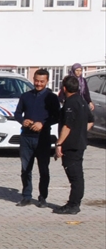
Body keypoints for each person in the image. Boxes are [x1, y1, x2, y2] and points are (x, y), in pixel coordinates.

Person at [13, 69, 62, 207]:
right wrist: (23, 121)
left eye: (42, 81)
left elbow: (57, 116)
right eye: (36, 81)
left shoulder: (51, 97)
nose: (38, 84)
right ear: (33, 79)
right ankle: (26, 196)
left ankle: (42, 197)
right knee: (25, 169)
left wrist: (43, 124)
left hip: (43, 138)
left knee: (43, 169)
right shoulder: (25, 96)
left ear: (47, 81)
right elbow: (17, 113)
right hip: (26, 138)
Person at [53, 75, 90, 215]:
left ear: (64, 88)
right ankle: (74, 203)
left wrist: (59, 143)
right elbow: (90, 121)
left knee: (75, 177)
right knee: (77, 176)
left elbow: (67, 126)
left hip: (72, 146)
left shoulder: (70, 103)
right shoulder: (82, 101)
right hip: (79, 143)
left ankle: (73, 205)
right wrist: (80, 131)